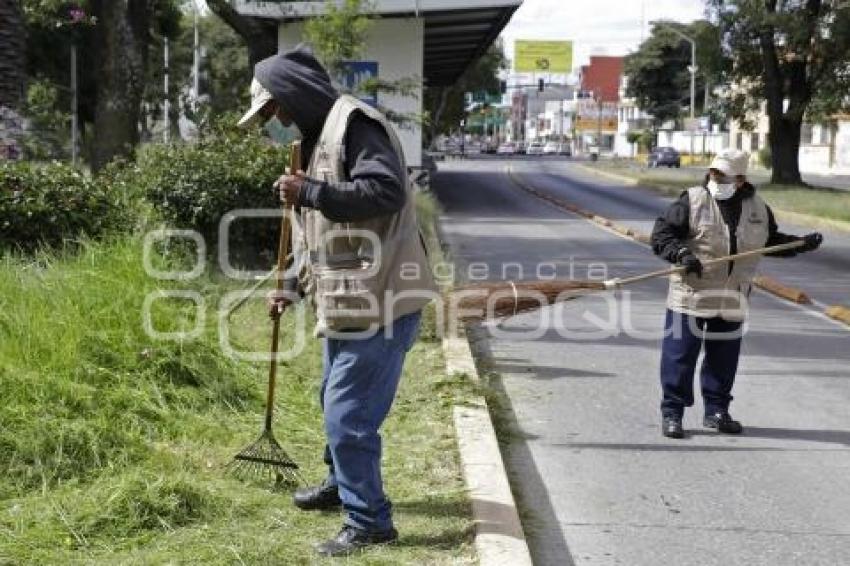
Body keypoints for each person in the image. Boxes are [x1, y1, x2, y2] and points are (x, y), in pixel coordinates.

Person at [237, 45, 438, 556]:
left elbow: (385, 191)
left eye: (270, 113)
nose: (269, 125)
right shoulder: (311, 139)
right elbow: (314, 234)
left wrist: (311, 192)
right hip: (350, 302)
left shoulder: (355, 126)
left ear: (292, 98)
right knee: (332, 400)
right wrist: (286, 282)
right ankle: (341, 485)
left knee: (348, 416)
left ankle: (370, 521)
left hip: (384, 301)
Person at [651, 149, 823, 439]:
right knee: (679, 358)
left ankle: (717, 412)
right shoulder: (691, 200)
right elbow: (661, 235)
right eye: (714, 173)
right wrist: (681, 254)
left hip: (732, 297)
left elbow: (770, 242)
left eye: (724, 175)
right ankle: (672, 413)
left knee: (723, 360)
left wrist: (800, 244)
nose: (716, 179)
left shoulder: (758, 208)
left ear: (741, 180)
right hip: (691, 295)